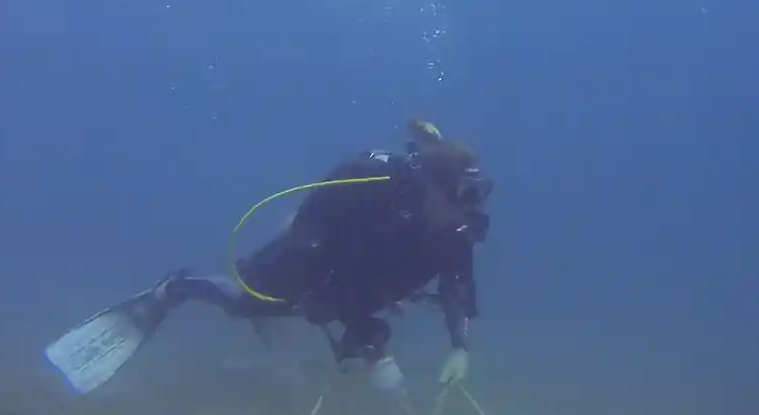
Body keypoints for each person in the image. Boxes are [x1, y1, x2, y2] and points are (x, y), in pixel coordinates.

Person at [46, 119, 492, 395]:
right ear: (431, 186)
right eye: (456, 197)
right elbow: (319, 230)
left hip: (355, 285)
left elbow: (456, 283)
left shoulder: (452, 230)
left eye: (470, 199)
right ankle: (177, 287)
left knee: (352, 322)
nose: (461, 213)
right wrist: (329, 299)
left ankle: (358, 343)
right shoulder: (378, 185)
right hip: (310, 257)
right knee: (246, 304)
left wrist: (459, 348)